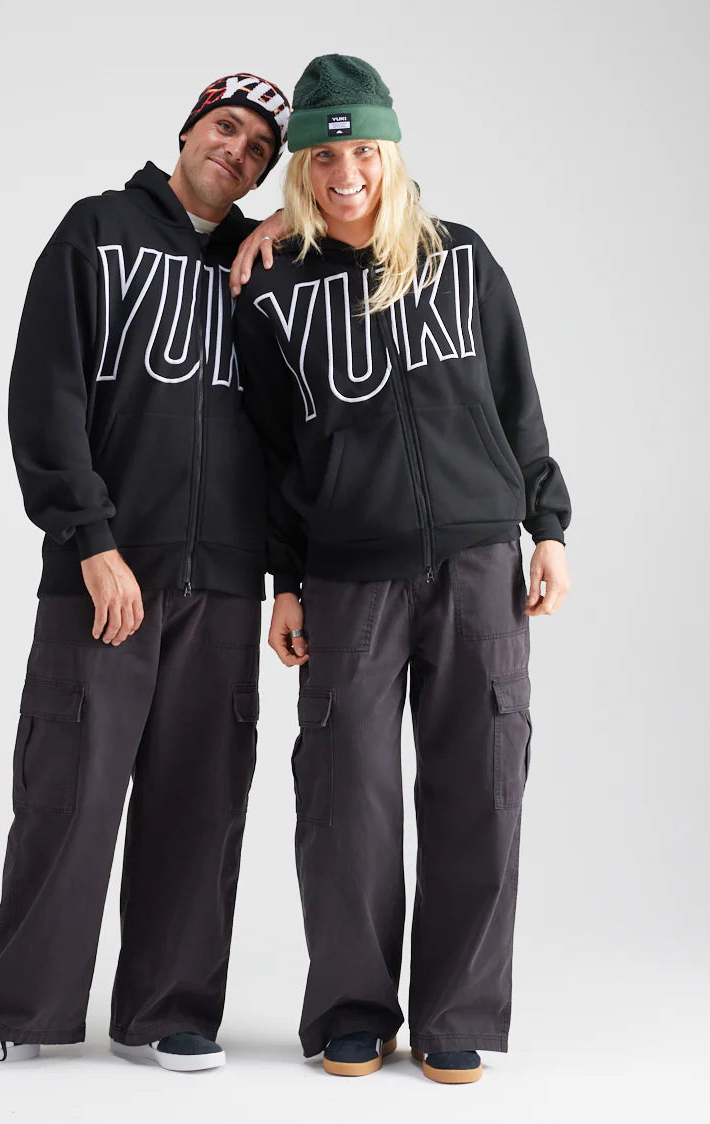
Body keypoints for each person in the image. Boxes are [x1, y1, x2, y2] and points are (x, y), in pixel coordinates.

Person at [0, 72, 290, 1079]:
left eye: (259, 149)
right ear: (188, 130)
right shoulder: (96, 231)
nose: (236, 151)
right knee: (67, 794)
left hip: (225, 581)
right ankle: (14, 1009)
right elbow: (45, 391)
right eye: (225, 128)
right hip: (104, 573)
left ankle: (166, 1011)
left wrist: (289, 222)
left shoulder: (266, 268)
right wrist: (91, 538)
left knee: (200, 801)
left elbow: (291, 428)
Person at [235, 54, 572, 1083]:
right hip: (347, 574)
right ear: (300, 166)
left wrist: (547, 526)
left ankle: (454, 1011)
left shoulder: (460, 259)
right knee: (347, 797)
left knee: (481, 788)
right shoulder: (271, 289)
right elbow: (267, 453)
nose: (346, 173)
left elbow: (515, 400)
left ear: (390, 152)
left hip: (478, 564)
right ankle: (351, 1007)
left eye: (363, 152)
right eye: (323, 156)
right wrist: (285, 581)